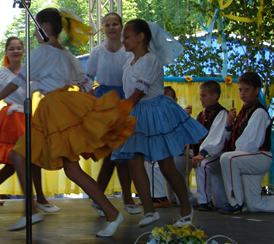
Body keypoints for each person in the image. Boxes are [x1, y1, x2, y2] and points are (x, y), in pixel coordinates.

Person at [0, 8, 136, 237]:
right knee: (66, 168)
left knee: (21, 156)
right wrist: (98, 111)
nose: (34, 33)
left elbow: (16, 83)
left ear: (44, 27)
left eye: (36, 28)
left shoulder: (40, 53)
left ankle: (33, 210)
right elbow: (85, 85)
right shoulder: (68, 55)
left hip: (54, 108)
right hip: (64, 107)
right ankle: (110, 212)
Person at [113, 19, 207, 228]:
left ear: (141, 37)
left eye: (127, 36)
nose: (123, 40)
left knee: (165, 164)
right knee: (134, 159)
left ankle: (185, 207)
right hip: (136, 113)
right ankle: (149, 210)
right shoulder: (128, 63)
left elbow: (138, 92)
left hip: (155, 112)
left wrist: (117, 112)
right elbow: (130, 94)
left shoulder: (151, 60)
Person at [0, 37, 59, 214]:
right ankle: (38, 200)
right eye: (12, 49)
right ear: (6, 53)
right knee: (22, 160)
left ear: (23, 51)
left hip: (27, 117)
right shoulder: (0, 74)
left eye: (19, 48)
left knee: (27, 160)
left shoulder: (31, 72)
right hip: (11, 119)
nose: (16, 51)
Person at [85, 13, 141, 216]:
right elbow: (87, 78)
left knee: (120, 153)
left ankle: (104, 198)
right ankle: (121, 199)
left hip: (126, 101)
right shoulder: (98, 51)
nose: (111, 27)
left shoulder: (129, 52)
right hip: (105, 103)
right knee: (113, 153)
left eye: (115, 24)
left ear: (121, 26)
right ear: (103, 28)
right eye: (107, 24)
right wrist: (94, 100)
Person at [219, 72, 272, 214]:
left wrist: (234, 151)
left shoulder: (259, 111)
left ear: (257, 91)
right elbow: (236, 139)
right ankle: (243, 202)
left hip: (259, 156)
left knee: (228, 158)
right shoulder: (245, 111)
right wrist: (229, 124)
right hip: (249, 157)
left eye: (246, 90)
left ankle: (235, 203)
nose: (242, 93)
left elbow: (251, 144)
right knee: (255, 205)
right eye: (240, 89)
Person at [191, 80, 229, 211]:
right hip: (205, 153)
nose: (200, 98)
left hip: (217, 154)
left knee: (203, 164)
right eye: (200, 95)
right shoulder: (202, 115)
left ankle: (205, 202)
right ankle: (187, 198)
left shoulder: (221, 113)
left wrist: (202, 154)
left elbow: (217, 139)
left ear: (215, 96)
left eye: (203, 95)